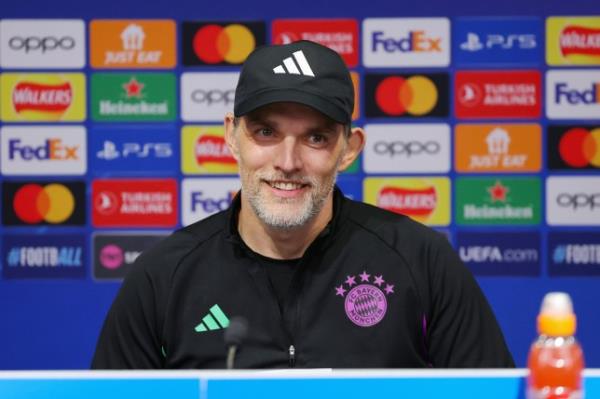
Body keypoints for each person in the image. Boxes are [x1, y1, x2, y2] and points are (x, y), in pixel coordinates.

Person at [91, 40, 514, 369]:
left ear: (349, 149)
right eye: (265, 132)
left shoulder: (420, 261)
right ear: (231, 136)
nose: (288, 162)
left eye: (316, 138)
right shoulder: (162, 277)